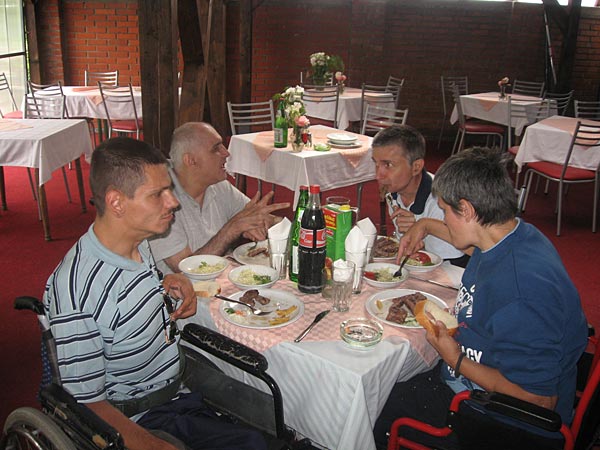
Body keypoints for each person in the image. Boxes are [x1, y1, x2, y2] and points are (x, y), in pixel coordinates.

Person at [43, 137, 267, 450]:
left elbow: (125, 294)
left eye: (169, 189)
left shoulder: (137, 243)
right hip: (138, 417)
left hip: (177, 391)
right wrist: (151, 445)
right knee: (253, 443)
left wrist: (168, 281)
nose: (173, 202)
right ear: (117, 202)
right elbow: (85, 402)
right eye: (157, 194)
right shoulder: (78, 290)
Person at [373, 147, 588, 449]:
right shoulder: (513, 237)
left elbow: (539, 400)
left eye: (445, 211)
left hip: (496, 422)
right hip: (475, 382)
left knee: (373, 406)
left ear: (467, 209)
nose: (444, 219)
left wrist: (455, 359)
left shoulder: (522, 293)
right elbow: (475, 247)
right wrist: (425, 225)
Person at [150, 122, 289, 274]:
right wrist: (232, 228)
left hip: (224, 278)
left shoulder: (219, 186)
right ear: (191, 160)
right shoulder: (159, 200)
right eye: (216, 148)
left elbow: (255, 218)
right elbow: (184, 268)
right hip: (183, 287)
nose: (226, 153)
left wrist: (278, 224)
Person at [371, 125, 468, 266]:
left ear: (416, 167)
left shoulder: (440, 203)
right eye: (376, 164)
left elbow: (447, 263)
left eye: (388, 165)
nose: (378, 175)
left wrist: (421, 228)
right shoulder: (394, 194)